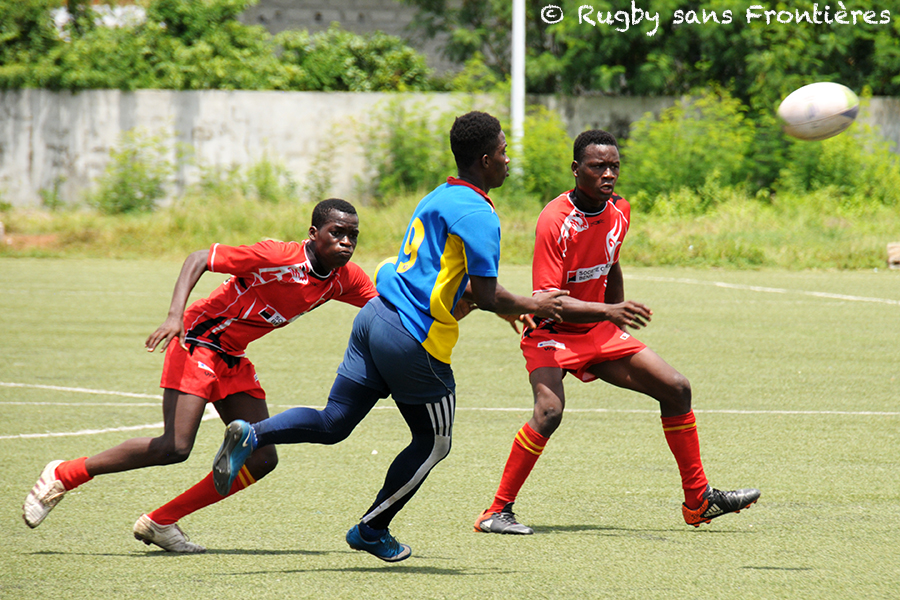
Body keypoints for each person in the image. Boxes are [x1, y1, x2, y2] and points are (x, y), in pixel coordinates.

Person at [211, 111, 567, 562]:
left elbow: (447, 278)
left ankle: (252, 434)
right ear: (484, 159)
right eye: (502, 151)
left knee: (334, 421)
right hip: (413, 340)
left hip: (376, 317)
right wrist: (535, 304)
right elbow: (487, 294)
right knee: (434, 442)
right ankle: (372, 529)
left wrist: (502, 305)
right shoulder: (479, 213)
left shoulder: (439, 196)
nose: (508, 159)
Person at [22, 198, 377, 552]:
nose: (346, 242)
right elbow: (198, 258)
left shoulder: (344, 278)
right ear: (314, 233)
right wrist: (174, 316)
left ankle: (160, 522)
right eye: (337, 233)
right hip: (195, 340)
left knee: (262, 458)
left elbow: (385, 308)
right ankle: (65, 474)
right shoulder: (278, 257)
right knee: (175, 447)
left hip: (231, 356)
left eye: (353, 235)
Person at [474, 130, 760, 535]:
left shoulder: (620, 209)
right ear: (576, 170)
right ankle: (496, 512)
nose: (608, 174)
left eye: (614, 167)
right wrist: (611, 311)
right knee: (549, 412)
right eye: (598, 166)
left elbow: (611, 263)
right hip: (552, 333)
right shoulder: (554, 220)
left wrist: (617, 324)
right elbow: (549, 301)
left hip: (598, 331)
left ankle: (698, 501)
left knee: (676, 388)